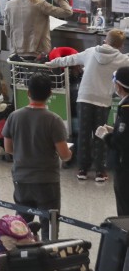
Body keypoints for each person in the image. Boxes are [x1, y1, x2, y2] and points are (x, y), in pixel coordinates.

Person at [47, 28, 129, 181]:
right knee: (101, 134)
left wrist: (51, 63)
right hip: (103, 100)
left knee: (84, 134)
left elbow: (71, 59)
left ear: (105, 40)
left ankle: (82, 169)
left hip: (84, 97)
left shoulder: (91, 51)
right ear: (121, 46)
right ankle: (100, 171)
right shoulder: (122, 59)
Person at [3, 73, 73, 241]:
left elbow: (8, 148)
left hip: (21, 179)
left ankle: (21, 256)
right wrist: (69, 153)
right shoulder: (54, 120)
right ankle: (48, 257)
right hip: (47, 181)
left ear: (28, 93)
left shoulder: (14, 116)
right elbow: (64, 155)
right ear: (50, 94)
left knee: (21, 224)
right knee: (49, 224)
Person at [4, 0, 72, 59]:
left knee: (17, 73)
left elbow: (7, 32)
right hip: (38, 56)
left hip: (16, 56)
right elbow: (67, 11)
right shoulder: (40, 4)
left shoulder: (9, 5)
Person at [98, 66, 129, 215]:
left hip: (125, 166)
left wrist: (105, 135)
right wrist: (114, 130)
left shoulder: (126, 107)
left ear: (119, 85)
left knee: (124, 207)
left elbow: (121, 143)